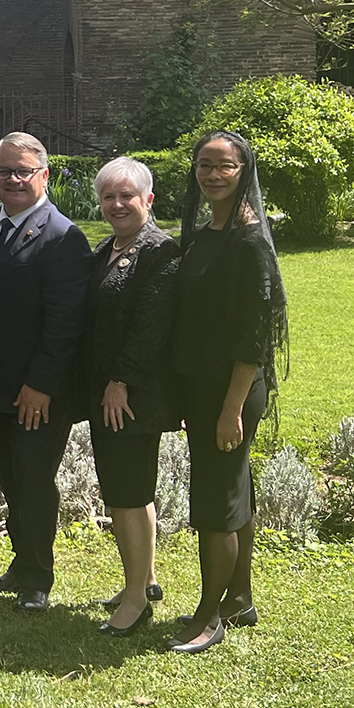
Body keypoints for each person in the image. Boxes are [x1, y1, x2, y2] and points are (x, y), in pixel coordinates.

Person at [167, 130, 287, 654]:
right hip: (201, 387)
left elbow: (254, 336)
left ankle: (208, 615)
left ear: (244, 171)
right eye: (204, 164)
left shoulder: (249, 243)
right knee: (232, 487)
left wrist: (231, 408)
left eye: (225, 166)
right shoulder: (201, 235)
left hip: (232, 391)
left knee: (215, 499)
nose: (212, 174)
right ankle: (240, 597)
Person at [0, 132, 90, 611]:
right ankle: (20, 563)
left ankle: (38, 578)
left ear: (44, 175)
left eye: (23, 171)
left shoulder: (63, 238)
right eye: (3, 171)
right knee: (12, 477)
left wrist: (40, 385)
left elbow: (65, 325)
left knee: (34, 480)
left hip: (37, 391)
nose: (12, 180)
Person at [77, 156, 181, 635]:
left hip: (133, 393)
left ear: (149, 200)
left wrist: (120, 381)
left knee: (126, 491)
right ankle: (144, 579)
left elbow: (150, 327)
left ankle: (135, 599)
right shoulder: (109, 249)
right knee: (130, 486)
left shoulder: (160, 252)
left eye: (127, 196)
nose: (116, 204)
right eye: (108, 197)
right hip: (109, 391)